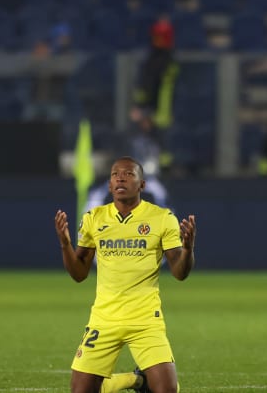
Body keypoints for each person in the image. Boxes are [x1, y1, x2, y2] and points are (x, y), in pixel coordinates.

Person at [54, 156, 196, 393]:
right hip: (104, 319)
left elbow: (180, 273)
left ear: (142, 185)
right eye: (115, 174)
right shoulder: (93, 218)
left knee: (168, 390)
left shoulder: (162, 218)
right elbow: (79, 273)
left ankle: (144, 381)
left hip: (145, 320)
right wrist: (65, 244)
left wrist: (188, 249)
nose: (120, 177)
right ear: (110, 185)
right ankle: (137, 380)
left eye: (129, 174)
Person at [130, 17, 179, 172]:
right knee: (152, 146)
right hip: (156, 112)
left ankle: (164, 167)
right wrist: (142, 108)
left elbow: (152, 88)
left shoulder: (168, 62)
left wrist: (142, 108)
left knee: (162, 146)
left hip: (163, 112)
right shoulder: (157, 60)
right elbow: (146, 87)